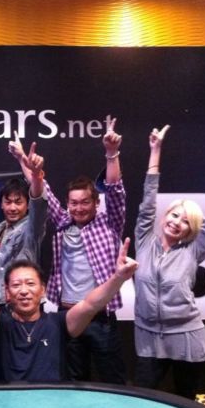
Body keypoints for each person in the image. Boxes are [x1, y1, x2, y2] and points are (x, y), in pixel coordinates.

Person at [133, 125, 205, 399]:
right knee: (141, 399)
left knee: (186, 403)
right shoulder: (144, 239)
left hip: (186, 336)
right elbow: (148, 199)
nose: (177, 222)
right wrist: (155, 151)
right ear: (165, 216)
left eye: (186, 221)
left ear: (192, 229)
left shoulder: (195, 248)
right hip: (148, 336)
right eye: (175, 215)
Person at [0, 235, 137, 382]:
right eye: (16, 285)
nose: (24, 291)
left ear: (43, 290)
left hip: (53, 403)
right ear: (7, 292)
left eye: (31, 283)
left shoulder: (58, 323)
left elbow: (91, 305)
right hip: (7, 403)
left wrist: (118, 277)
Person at [41, 117, 127, 384]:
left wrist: (111, 153)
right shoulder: (62, 222)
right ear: (68, 204)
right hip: (68, 315)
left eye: (85, 202)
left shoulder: (109, 223)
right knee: (74, 383)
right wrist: (27, 164)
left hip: (101, 318)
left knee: (113, 382)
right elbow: (43, 191)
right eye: (74, 203)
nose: (79, 208)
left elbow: (115, 191)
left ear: (95, 202)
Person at [0, 137, 47, 306]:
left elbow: (39, 202)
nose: (12, 207)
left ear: (27, 205)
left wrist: (35, 175)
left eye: (18, 202)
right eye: (8, 202)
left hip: (23, 303)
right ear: (1, 204)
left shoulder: (31, 227)